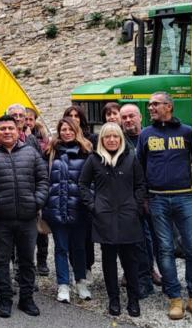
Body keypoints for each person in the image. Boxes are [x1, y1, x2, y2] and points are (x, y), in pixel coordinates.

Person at [136, 92, 192, 322]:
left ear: (169, 106)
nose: (151, 108)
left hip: (185, 198)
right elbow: (140, 168)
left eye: (155, 104)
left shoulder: (187, 132)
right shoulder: (145, 134)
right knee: (165, 250)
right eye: (149, 105)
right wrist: (144, 198)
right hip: (157, 200)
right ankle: (175, 299)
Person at [0, 115, 49, 318]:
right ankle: (5, 299)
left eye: (11, 128)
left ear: (18, 131)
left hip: (27, 218)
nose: (7, 131)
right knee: (1, 261)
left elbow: (43, 179)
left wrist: (37, 201)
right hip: (1, 219)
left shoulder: (31, 153)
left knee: (27, 261)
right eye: (2, 129)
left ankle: (26, 299)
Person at [79, 122, 145, 318]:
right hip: (104, 218)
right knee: (108, 262)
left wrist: (135, 205)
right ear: (102, 140)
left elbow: (141, 185)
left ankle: (133, 300)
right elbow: (82, 185)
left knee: (131, 262)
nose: (112, 140)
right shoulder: (94, 160)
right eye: (107, 137)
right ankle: (114, 299)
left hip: (128, 217)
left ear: (120, 139)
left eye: (115, 136)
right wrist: (93, 206)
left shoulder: (131, 159)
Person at [42, 118, 92, 303]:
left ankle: (80, 281)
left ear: (76, 130)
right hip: (56, 207)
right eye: (63, 129)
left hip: (79, 209)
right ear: (59, 131)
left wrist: (89, 202)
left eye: (70, 129)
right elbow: (44, 179)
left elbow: (91, 181)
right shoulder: (50, 152)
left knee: (79, 248)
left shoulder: (86, 152)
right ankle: (63, 284)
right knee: (61, 248)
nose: (67, 132)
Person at [121, 103, 163, 289]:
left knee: (159, 239)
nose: (128, 120)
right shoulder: (118, 140)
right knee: (137, 239)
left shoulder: (151, 136)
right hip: (130, 198)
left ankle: (161, 273)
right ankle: (139, 273)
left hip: (154, 195)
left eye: (131, 116)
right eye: (124, 117)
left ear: (140, 117)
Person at [7, 103, 49, 277]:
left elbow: (40, 168)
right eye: (14, 115)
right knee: (10, 237)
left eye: (21, 116)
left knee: (31, 236)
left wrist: (39, 197)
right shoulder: (1, 137)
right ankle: (15, 272)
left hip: (29, 196)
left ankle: (27, 273)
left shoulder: (32, 140)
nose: (18, 118)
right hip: (8, 196)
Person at [62, 104, 97, 274]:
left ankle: (87, 266)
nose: (74, 118)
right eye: (70, 115)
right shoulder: (59, 144)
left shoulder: (91, 142)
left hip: (84, 197)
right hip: (66, 197)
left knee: (86, 236)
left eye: (77, 116)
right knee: (70, 238)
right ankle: (76, 266)